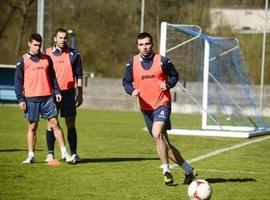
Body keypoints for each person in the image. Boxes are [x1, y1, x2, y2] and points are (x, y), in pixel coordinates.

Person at [122, 32, 197, 185]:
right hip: (146, 108)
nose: (144, 47)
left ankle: (166, 170)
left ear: (152, 44)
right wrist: (132, 91)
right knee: (164, 144)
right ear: (137, 46)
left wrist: (168, 84)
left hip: (162, 103)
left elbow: (174, 76)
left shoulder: (163, 61)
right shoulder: (132, 63)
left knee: (157, 134)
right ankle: (189, 170)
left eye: (147, 44)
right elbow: (126, 82)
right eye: (141, 44)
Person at [14, 33, 72, 164]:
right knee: (32, 126)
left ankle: (65, 153)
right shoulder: (22, 60)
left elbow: (53, 77)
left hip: (47, 97)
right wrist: (20, 99)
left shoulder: (47, 58)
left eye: (39, 45)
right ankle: (30, 155)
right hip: (31, 98)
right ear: (29, 44)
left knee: (55, 124)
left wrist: (56, 91)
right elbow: (18, 81)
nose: (37, 47)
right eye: (35, 45)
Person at [45, 28, 83, 164]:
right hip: (51, 93)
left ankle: (74, 153)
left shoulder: (74, 54)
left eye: (65, 38)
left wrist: (80, 93)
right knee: (51, 123)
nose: (63, 40)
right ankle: (50, 154)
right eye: (60, 38)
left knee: (70, 123)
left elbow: (79, 75)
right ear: (55, 38)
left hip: (68, 93)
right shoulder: (47, 53)